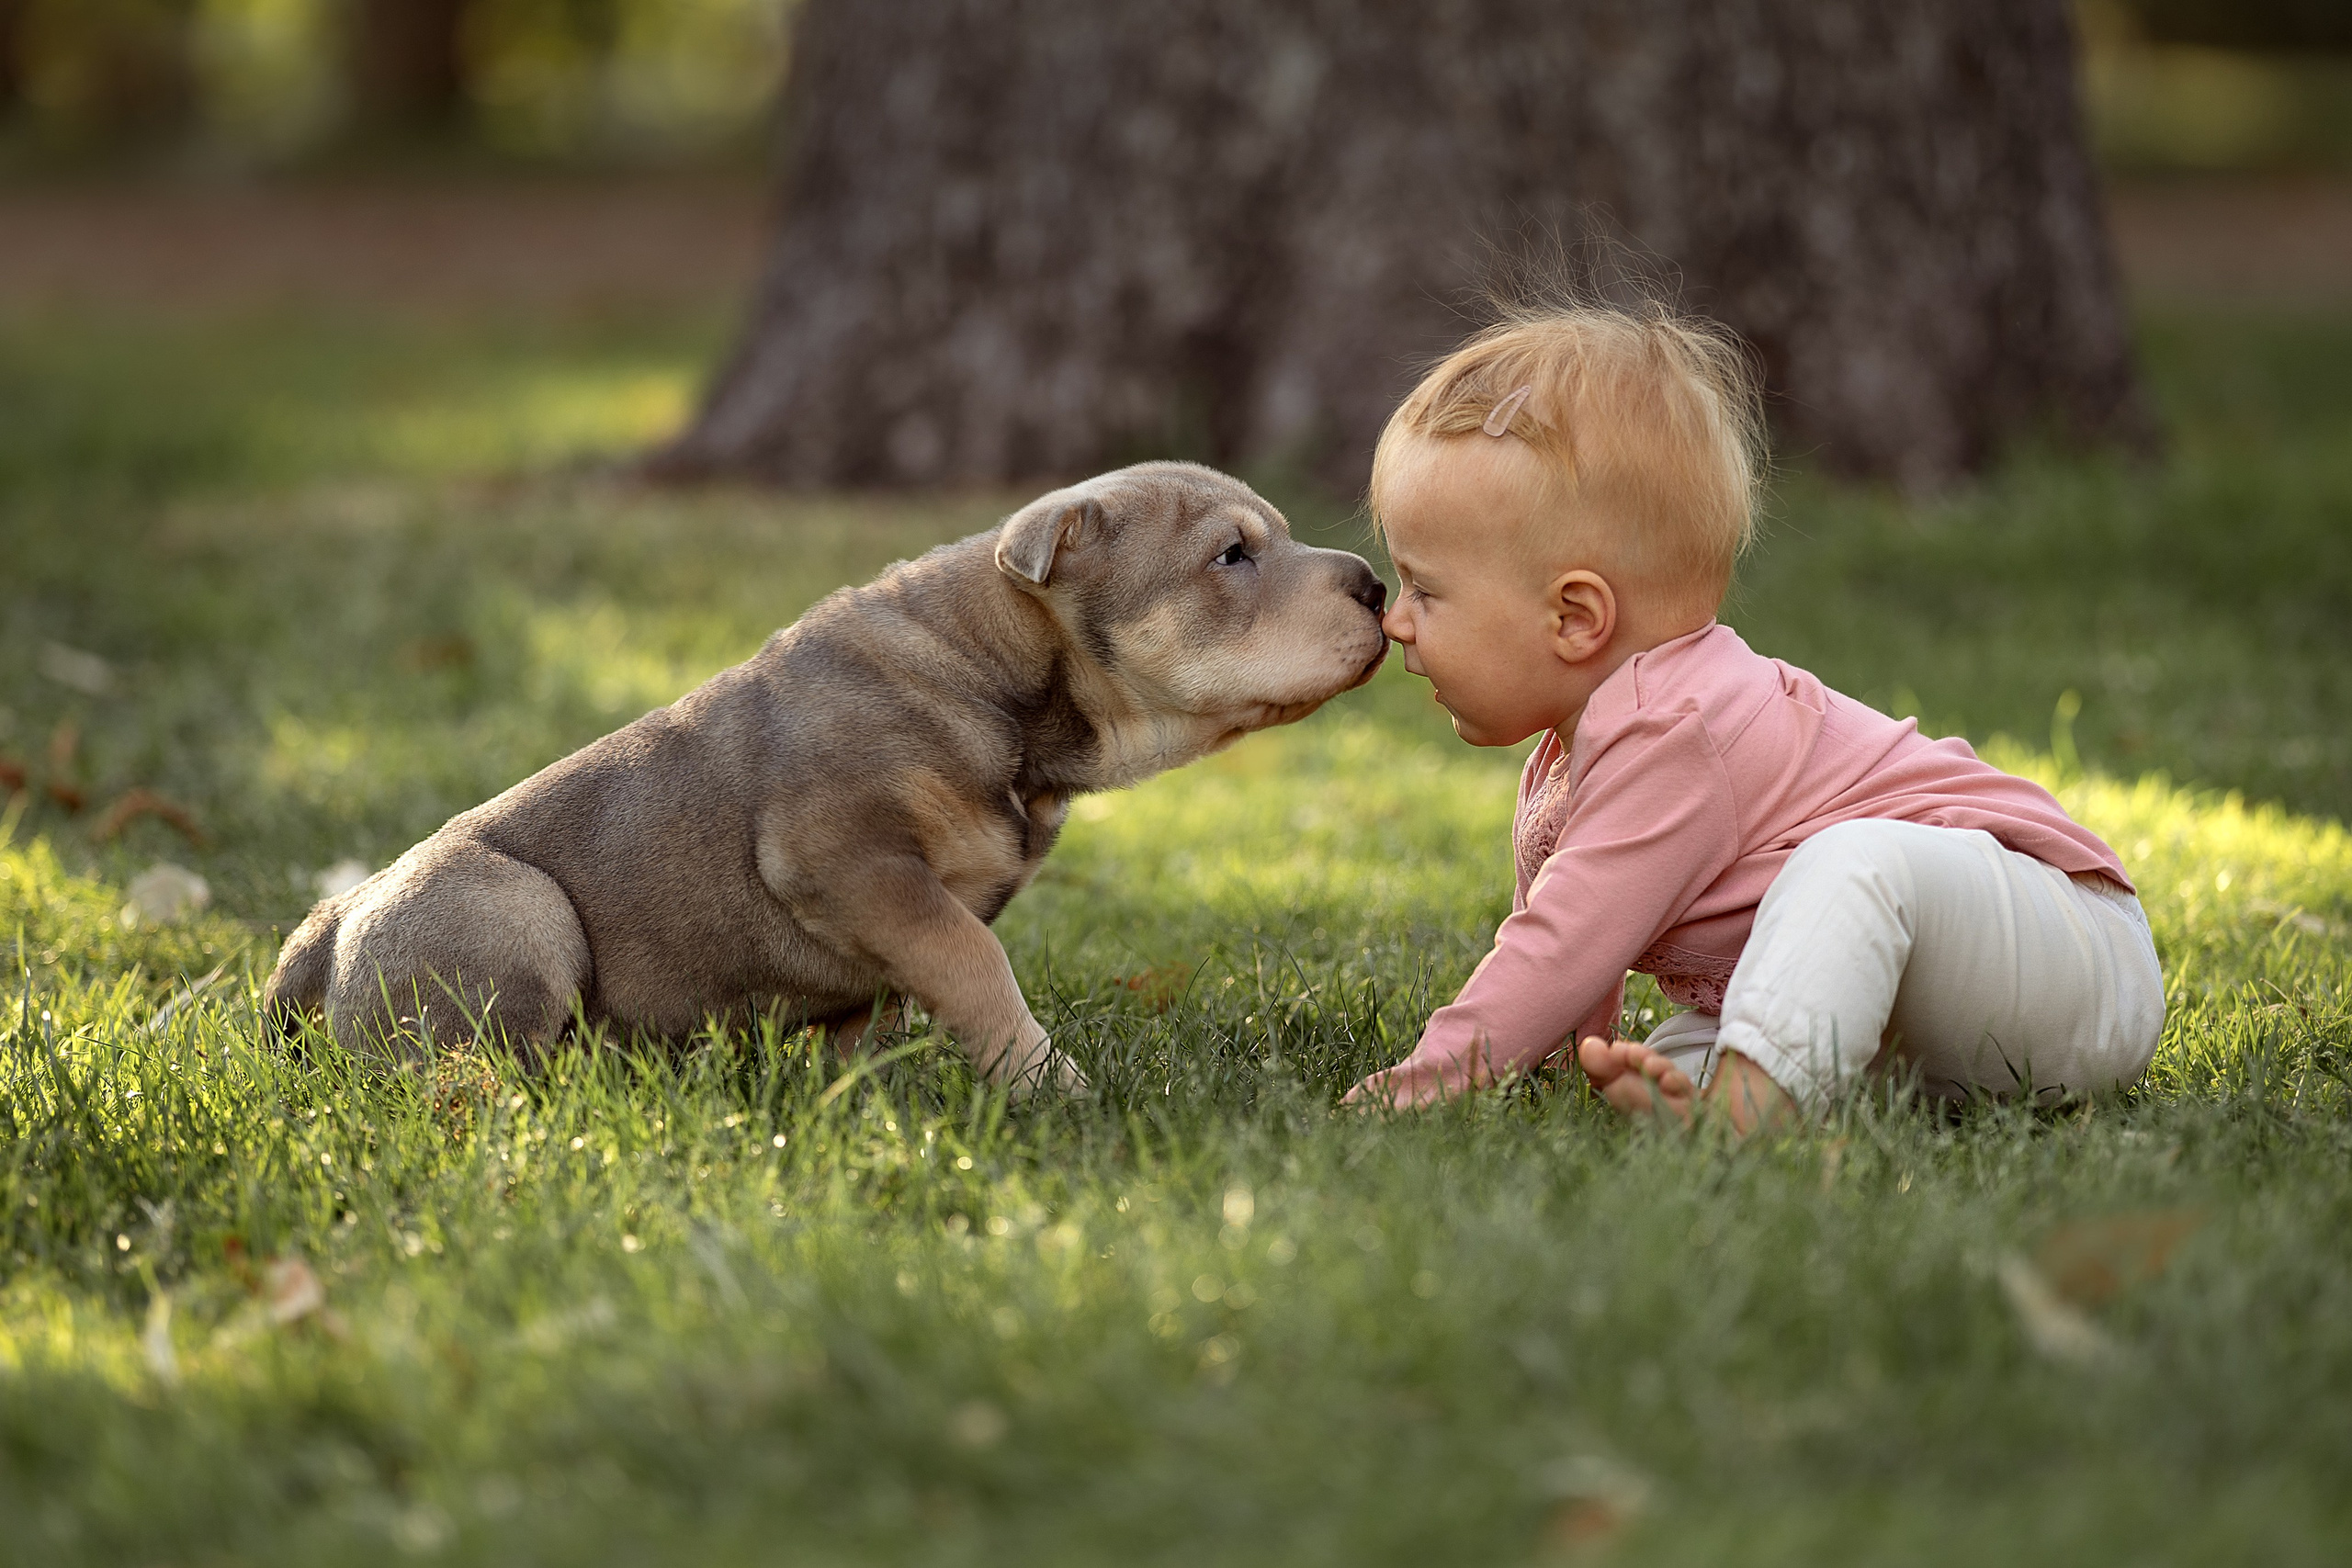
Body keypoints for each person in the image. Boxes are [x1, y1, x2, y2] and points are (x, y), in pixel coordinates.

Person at [1344, 300, 2165, 1131]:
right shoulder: (1572, 758)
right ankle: (1716, 1103)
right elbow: (1574, 953)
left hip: (2069, 952)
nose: (1396, 619)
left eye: (1426, 589)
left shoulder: (1674, 732)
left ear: (1576, 618)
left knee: (1850, 862)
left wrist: (1418, 1088)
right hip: (1925, 1018)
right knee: (1679, 1049)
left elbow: (1558, 944)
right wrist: (1558, 1066)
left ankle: (1748, 1115)